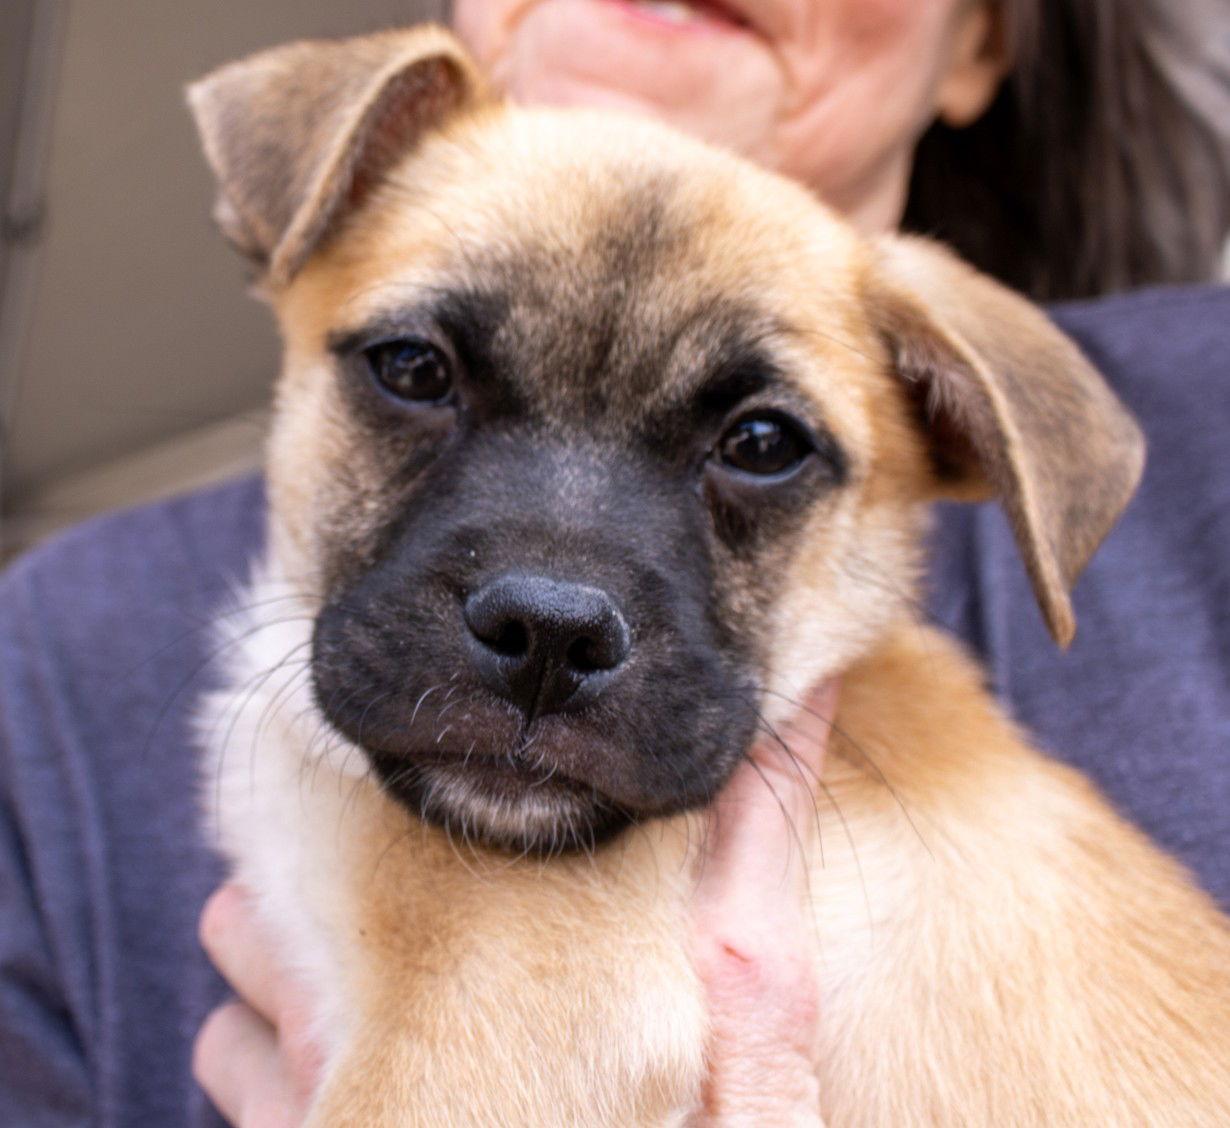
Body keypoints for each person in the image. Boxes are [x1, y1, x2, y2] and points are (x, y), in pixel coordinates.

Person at [1, 1, 1227, 1125]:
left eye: (760, 447)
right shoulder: (49, 667)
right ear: (306, 223)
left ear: (983, 41)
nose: (553, 600)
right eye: (418, 375)